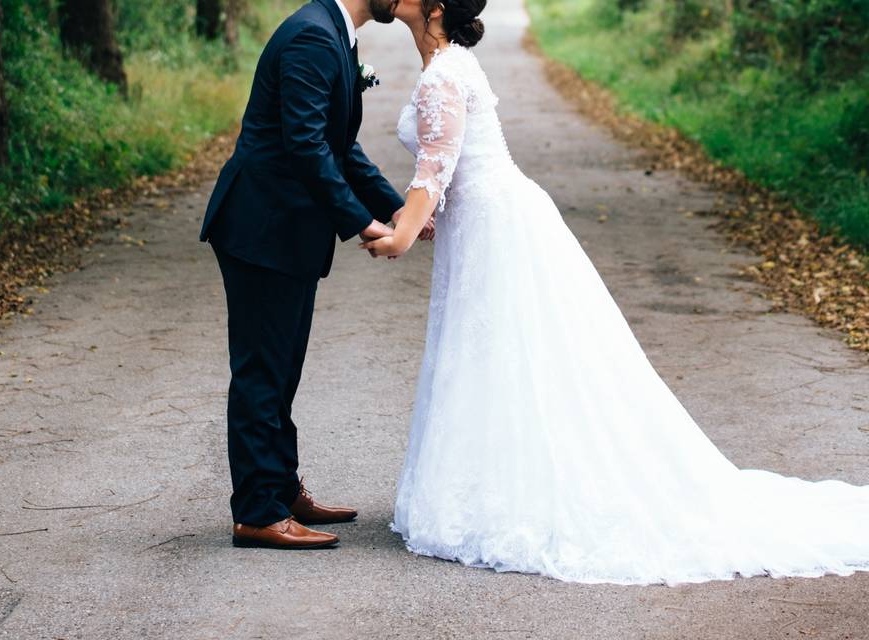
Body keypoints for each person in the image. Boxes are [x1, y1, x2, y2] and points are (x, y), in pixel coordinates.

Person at [362, 0, 869, 585]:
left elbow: (433, 172)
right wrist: (418, 220)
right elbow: (447, 172)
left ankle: (506, 495)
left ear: (436, 6)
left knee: (504, 353)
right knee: (493, 356)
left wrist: (399, 234)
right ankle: (491, 481)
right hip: (484, 221)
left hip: (495, 226)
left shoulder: (447, 72)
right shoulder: (451, 65)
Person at [200, 0, 430, 550]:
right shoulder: (311, 37)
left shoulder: (334, 34)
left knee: (282, 368)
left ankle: (279, 487)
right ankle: (257, 511)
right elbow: (304, 146)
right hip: (262, 226)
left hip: (286, 232)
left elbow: (337, 145)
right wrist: (363, 223)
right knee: (262, 371)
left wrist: (394, 208)